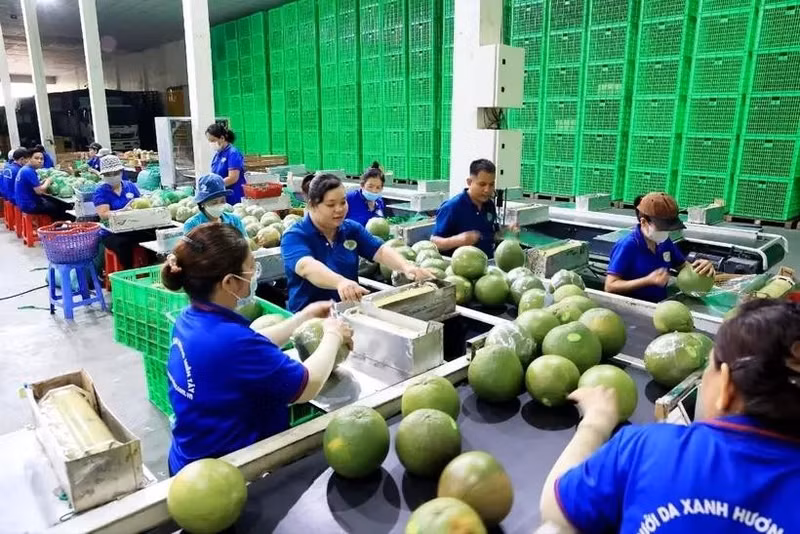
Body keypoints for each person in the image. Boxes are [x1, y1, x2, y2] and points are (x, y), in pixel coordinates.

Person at [539, 298, 800, 533]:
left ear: (726, 387)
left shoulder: (649, 448)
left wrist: (595, 423)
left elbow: (555, 508)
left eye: (708, 367)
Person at [161, 223, 353, 475]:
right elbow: (307, 385)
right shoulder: (230, 341)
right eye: (251, 267)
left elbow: (250, 344)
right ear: (229, 282)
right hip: (226, 474)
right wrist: (332, 334)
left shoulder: (192, 318)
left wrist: (300, 318)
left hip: (189, 458)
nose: (254, 274)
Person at [281, 173, 432, 313]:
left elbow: (380, 250)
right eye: (331, 205)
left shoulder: (350, 229)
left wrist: (406, 267)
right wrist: (340, 282)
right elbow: (306, 266)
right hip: (309, 319)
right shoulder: (295, 236)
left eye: (343, 202)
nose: (339, 209)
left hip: (348, 312)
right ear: (312, 205)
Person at [605, 193, 715, 302]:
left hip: (659, 305)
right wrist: (647, 280)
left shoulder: (664, 242)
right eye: (661, 228)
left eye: (668, 228)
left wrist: (700, 268)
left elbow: (682, 266)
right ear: (644, 222)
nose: (665, 232)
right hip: (631, 308)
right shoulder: (628, 245)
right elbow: (610, 286)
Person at [431, 159, 501, 256]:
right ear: (469, 182)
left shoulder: (489, 205)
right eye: (482, 184)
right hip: (461, 267)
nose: (487, 190)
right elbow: (434, 242)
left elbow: (492, 234)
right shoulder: (452, 207)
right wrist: (458, 240)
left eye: (491, 184)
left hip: (486, 264)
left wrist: (508, 232)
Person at [93, 154, 152, 269]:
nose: (113, 176)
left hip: (132, 227)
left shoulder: (130, 186)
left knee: (152, 236)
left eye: (115, 173)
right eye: (108, 174)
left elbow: (140, 203)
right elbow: (104, 214)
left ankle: (150, 267)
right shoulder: (101, 191)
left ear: (121, 172)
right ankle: (128, 272)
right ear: (104, 175)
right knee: (123, 244)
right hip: (111, 233)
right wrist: (122, 211)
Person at [14, 146, 72, 221]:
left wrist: (42, 182)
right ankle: (58, 227)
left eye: (42, 159)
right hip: (30, 205)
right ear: (29, 159)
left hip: (24, 202)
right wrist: (48, 181)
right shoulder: (28, 171)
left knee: (56, 202)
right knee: (59, 206)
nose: (40, 161)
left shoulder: (26, 169)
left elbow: (32, 186)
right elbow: (39, 191)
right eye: (36, 158)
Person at [182, 173, 247, 237]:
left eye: (222, 201)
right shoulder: (193, 224)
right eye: (214, 202)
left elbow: (245, 243)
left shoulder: (234, 220)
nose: (219, 205)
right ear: (202, 203)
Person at [207, 123, 246, 205]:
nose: (211, 143)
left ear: (222, 138)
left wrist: (215, 186)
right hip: (221, 196)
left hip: (234, 196)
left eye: (213, 140)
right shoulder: (218, 154)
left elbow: (233, 178)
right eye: (209, 141)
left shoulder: (233, 153)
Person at [346, 161, 386, 226]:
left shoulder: (379, 202)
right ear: (362, 185)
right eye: (370, 186)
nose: (374, 190)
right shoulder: (350, 198)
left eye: (378, 187)